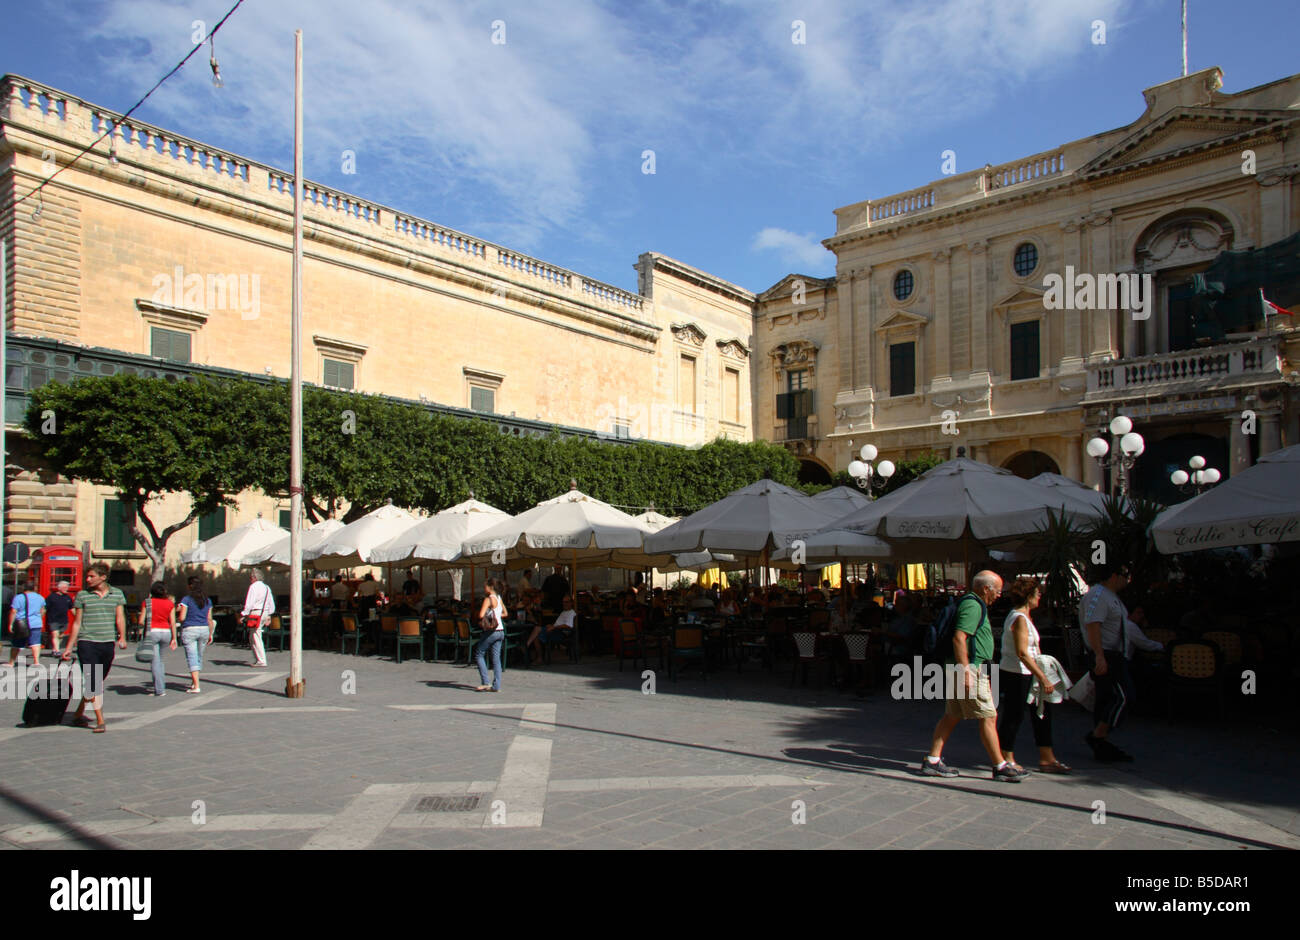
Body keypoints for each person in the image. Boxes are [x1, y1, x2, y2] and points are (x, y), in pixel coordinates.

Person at [921, 571, 1026, 782]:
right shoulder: (973, 605)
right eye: (997, 590)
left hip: (961, 668)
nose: (998, 595)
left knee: (952, 715)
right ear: (985, 588)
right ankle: (1000, 765)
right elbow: (959, 638)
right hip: (970, 669)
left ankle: (932, 760)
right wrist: (966, 671)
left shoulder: (974, 604)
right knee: (988, 715)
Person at [996, 576, 1070, 775]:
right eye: (1037, 594)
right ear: (1029, 596)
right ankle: (1006, 757)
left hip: (1026, 671)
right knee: (1015, 715)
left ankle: (1046, 757)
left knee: (1042, 713)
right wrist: (1043, 677)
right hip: (1018, 673)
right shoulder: (1019, 618)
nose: (1040, 597)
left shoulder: (1024, 617)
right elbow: (1022, 652)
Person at [1078, 562, 1135, 762]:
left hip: (1114, 654)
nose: (1128, 579)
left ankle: (1101, 744)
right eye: (1125, 574)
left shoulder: (1110, 597)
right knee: (1124, 696)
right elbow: (1093, 624)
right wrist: (1099, 655)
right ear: (1113, 575)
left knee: (1105, 699)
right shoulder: (1098, 595)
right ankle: (1098, 736)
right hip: (1107, 654)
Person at [61, 563, 127, 734]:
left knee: (97, 681)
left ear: (103, 577)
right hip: (87, 642)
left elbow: (120, 617)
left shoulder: (116, 594)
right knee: (93, 681)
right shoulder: (82, 596)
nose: (87, 579)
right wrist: (69, 646)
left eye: (91, 576)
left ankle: (77, 714)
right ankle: (100, 721)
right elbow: (77, 623)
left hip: (107, 643)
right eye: (87, 576)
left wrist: (122, 636)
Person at [176, 576, 215, 693]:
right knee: (199, 656)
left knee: (192, 657)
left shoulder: (186, 600)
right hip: (204, 629)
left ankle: (196, 685)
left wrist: (178, 611)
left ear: (189, 586)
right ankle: (194, 682)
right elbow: (209, 619)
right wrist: (211, 634)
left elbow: (182, 617)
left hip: (190, 629)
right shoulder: (208, 600)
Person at [140, 581, 178, 696]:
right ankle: (158, 686)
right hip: (166, 632)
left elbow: (141, 621)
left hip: (153, 632)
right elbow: (172, 622)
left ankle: (160, 689)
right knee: (160, 661)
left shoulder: (147, 602)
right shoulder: (169, 603)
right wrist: (174, 638)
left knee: (155, 662)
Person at [474, 579, 506, 692]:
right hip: (500, 630)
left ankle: (485, 682)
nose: (484, 588)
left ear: (490, 587)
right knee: (496, 658)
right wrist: (496, 615)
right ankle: (496, 685)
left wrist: (488, 613)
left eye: (485, 586)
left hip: (491, 631)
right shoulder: (499, 598)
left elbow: (481, 615)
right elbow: (505, 613)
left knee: (479, 654)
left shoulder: (488, 599)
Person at [6, 579, 47, 667]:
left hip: (21, 624)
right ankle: (36, 662)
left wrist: (10, 624)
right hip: (36, 623)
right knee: (35, 643)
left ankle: (11, 662)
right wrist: (39, 619)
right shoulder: (40, 597)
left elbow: (13, 611)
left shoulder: (19, 597)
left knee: (16, 644)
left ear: (23, 588)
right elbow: (43, 610)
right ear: (34, 588)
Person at [241, 567, 275, 667]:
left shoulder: (253, 587)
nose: (250, 579)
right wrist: (269, 614)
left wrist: (244, 613)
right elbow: (271, 603)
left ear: (254, 577)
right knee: (254, 635)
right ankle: (259, 658)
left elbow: (249, 602)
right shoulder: (267, 587)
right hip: (264, 612)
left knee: (255, 636)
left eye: (251, 577)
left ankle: (261, 660)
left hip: (256, 613)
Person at [527, 596, 576, 664]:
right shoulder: (564, 612)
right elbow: (559, 623)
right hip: (555, 630)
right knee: (536, 635)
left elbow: (568, 626)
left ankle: (527, 645)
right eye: (563, 602)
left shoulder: (571, 612)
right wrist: (552, 625)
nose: (564, 604)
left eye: (566, 602)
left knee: (537, 629)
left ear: (571, 603)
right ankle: (539, 657)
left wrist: (554, 627)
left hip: (560, 633)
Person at [44, 579, 75, 654]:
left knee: (61, 636)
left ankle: (55, 649)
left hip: (64, 620)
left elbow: (72, 608)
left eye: (67, 587)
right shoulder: (51, 597)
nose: (66, 589)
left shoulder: (68, 597)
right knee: (55, 634)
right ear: (59, 588)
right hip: (53, 619)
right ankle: (57, 651)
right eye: (64, 587)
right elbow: (45, 608)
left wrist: (77, 616)